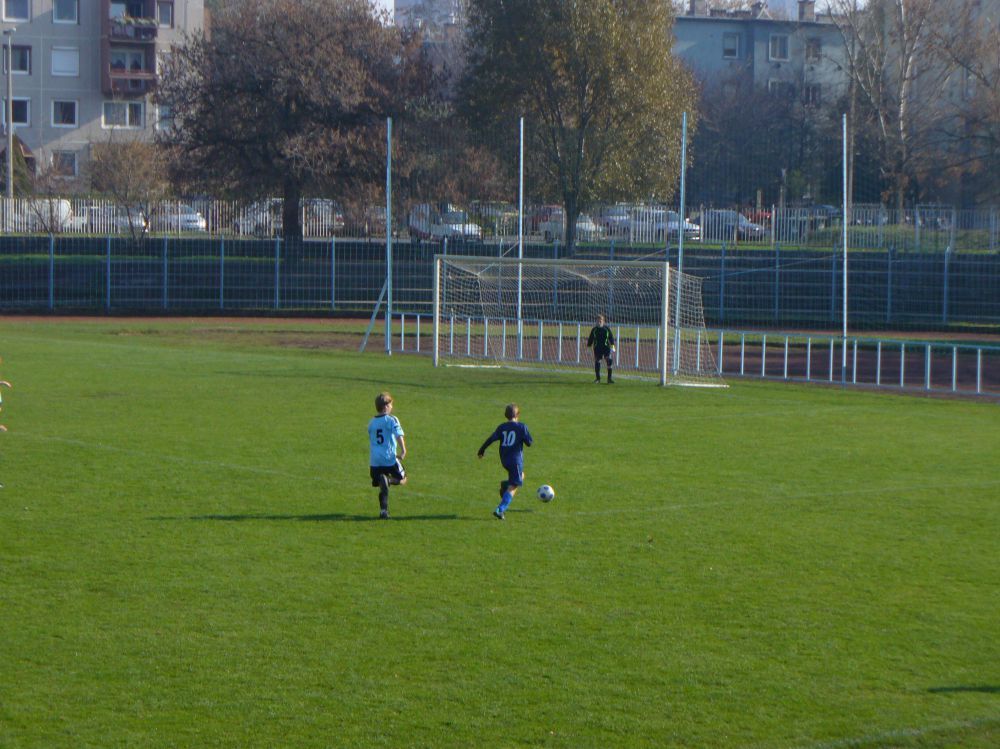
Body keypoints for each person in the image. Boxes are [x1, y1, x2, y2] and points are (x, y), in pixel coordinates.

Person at [477, 403, 533, 520]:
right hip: (515, 461)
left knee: (521, 475)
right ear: (517, 415)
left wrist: (481, 450)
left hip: (504, 460)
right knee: (514, 485)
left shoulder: (502, 427)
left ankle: (505, 485)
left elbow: (491, 439)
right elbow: (529, 443)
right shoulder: (521, 427)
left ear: (506, 415)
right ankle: (500, 509)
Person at [367, 391, 407, 520]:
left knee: (381, 485)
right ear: (385, 407)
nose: (392, 407)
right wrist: (403, 450)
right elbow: (398, 434)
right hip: (389, 459)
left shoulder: (371, 423)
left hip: (374, 462)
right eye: (390, 405)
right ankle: (389, 480)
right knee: (403, 479)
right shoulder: (391, 419)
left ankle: (383, 511)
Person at [587, 314, 616, 383]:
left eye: (600, 321)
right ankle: (598, 379)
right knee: (597, 361)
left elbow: (611, 338)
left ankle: (609, 379)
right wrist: (589, 347)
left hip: (606, 347)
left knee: (609, 360)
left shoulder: (606, 329)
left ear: (603, 321)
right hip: (597, 348)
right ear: (596, 322)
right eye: (597, 321)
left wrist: (612, 346)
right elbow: (590, 339)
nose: (599, 322)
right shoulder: (594, 330)